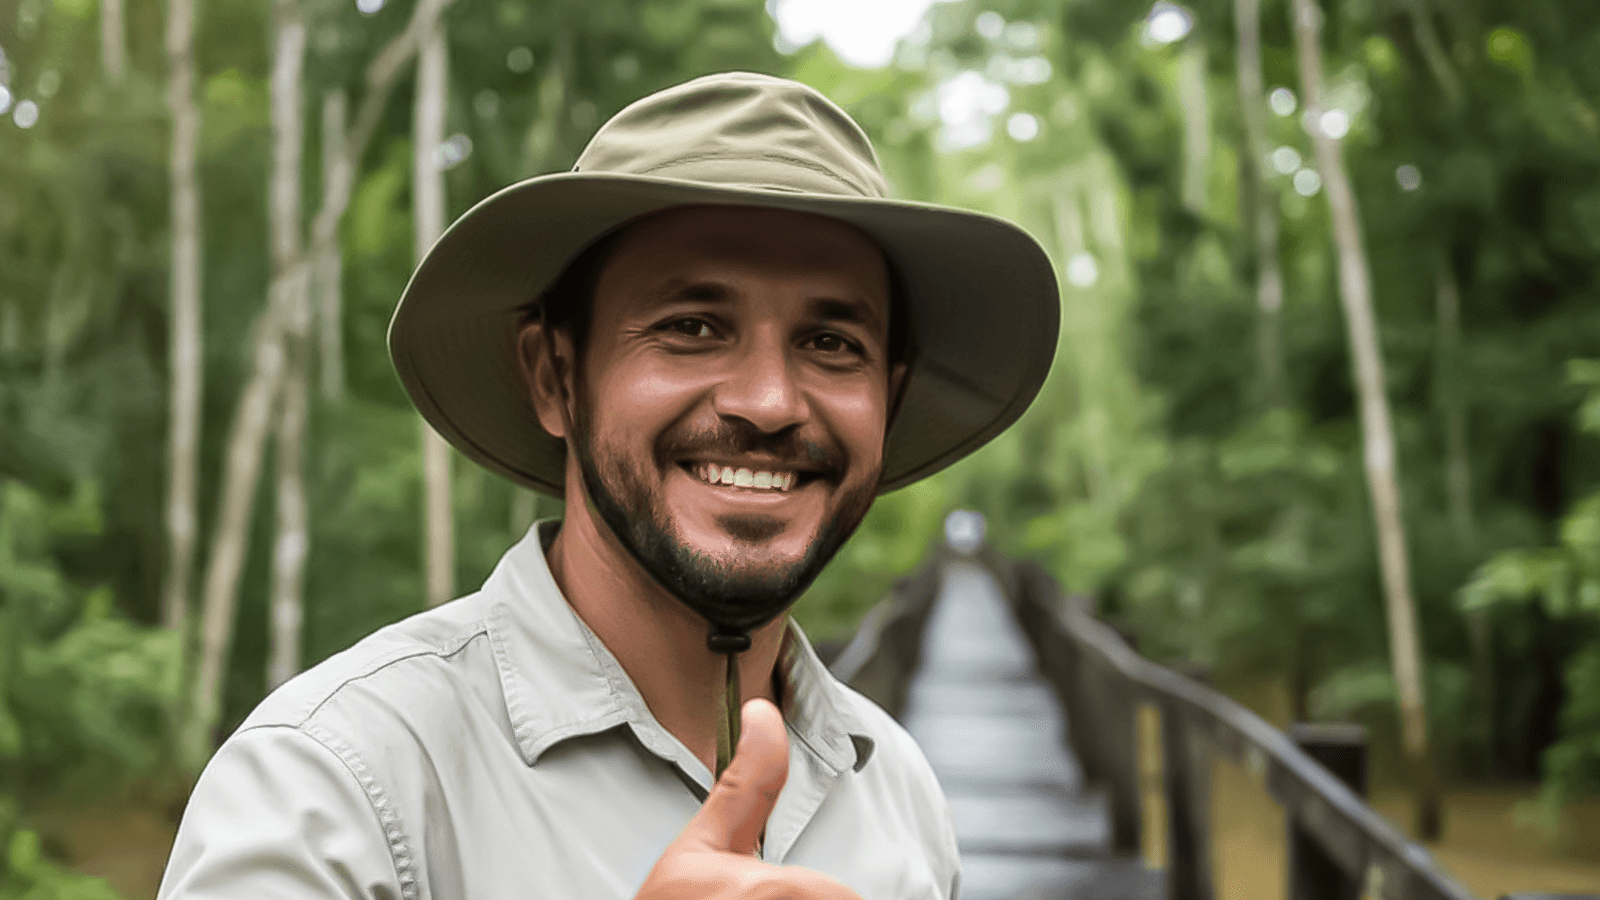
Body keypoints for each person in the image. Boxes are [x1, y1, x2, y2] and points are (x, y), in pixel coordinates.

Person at [158, 71, 1058, 900]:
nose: (770, 403)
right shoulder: (336, 781)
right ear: (554, 376)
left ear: (886, 402)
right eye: (694, 325)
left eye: (832, 344)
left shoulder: (893, 786)